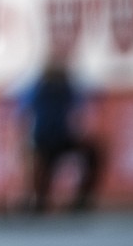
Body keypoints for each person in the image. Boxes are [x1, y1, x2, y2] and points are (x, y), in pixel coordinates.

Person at [14, 57, 102, 214]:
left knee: (93, 152)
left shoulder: (67, 88)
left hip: (62, 140)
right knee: (37, 167)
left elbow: (85, 104)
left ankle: (81, 200)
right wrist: (26, 142)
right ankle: (37, 200)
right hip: (43, 143)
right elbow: (20, 112)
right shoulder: (37, 90)